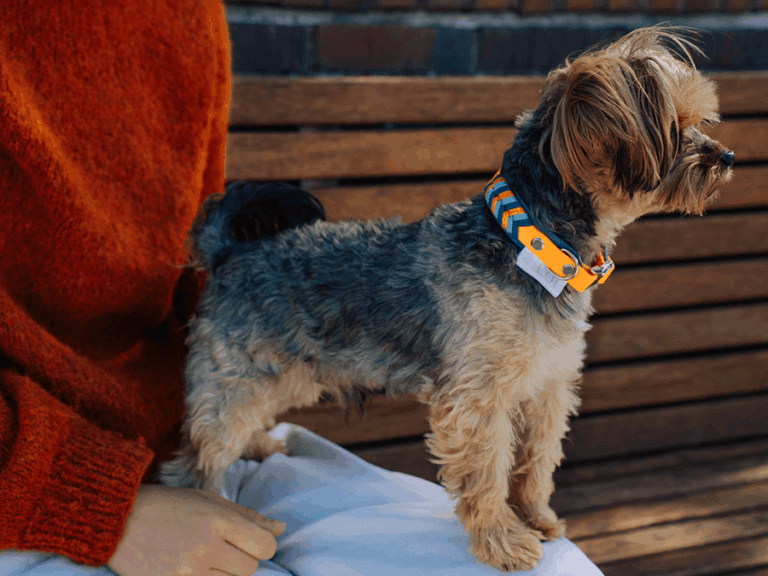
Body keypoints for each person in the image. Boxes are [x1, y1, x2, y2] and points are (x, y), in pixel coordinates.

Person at [0, 2, 603, 574]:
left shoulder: (189, 17)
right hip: (53, 480)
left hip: (191, 431)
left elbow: (187, 255)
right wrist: (107, 507)